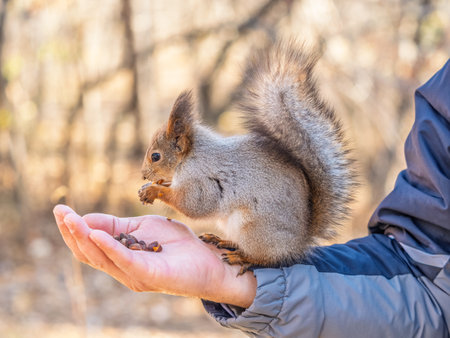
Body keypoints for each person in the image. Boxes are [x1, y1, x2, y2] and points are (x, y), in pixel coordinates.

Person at [53, 60, 450, 337]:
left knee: (244, 218)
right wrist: (231, 287)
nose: (149, 169)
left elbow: (198, 205)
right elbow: (422, 279)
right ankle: (251, 255)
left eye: (155, 160)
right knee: (238, 220)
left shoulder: (196, 166)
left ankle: (255, 255)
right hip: (277, 227)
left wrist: (162, 193)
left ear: (181, 144)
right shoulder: (201, 161)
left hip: (273, 228)